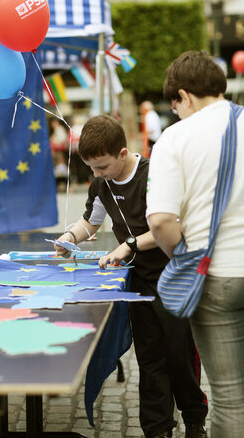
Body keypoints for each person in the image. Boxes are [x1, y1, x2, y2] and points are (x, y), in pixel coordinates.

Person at [54, 114, 208, 438]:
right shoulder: (100, 183)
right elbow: (91, 222)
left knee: (179, 354)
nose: (96, 175)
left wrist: (129, 244)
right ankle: (158, 428)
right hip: (136, 282)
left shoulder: (156, 176)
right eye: (92, 169)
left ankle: (195, 417)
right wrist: (69, 237)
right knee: (150, 358)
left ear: (122, 154)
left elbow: (173, 226)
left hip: (173, 275)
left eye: (102, 167)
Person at [146, 50, 244, 438]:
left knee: (231, 398)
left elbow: (160, 220)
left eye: (175, 106)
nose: (176, 113)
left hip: (215, 275)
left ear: (184, 96)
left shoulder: (176, 137)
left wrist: (183, 257)